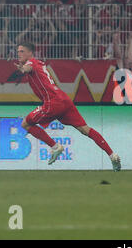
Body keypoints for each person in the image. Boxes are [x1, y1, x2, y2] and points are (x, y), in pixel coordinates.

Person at [14, 42, 121, 171]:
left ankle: (55, 147)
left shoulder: (31, 63)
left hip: (52, 102)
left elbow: (27, 68)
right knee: (85, 129)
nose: (18, 54)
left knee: (26, 124)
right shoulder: (39, 63)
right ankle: (112, 155)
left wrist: (22, 69)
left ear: (30, 53)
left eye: (21, 51)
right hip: (63, 100)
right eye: (18, 51)